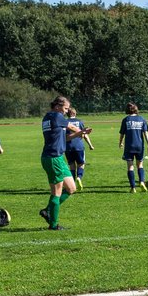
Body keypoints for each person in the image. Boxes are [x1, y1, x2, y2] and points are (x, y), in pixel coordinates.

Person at [40, 95, 89, 229]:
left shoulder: (48, 117)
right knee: (56, 192)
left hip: (57, 157)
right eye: (65, 108)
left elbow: (65, 138)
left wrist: (81, 133)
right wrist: (81, 131)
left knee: (72, 188)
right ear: (57, 106)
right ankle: (54, 225)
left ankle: (47, 210)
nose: (67, 111)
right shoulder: (57, 116)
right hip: (53, 158)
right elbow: (72, 127)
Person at [119, 102, 148, 193]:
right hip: (139, 146)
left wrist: (120, 142)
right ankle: (141, 182)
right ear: (136, 109)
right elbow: (146, 133)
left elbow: (122, 133)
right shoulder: (141, 119)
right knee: (140, 165)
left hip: (129, 146)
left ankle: (133, 188)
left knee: (130, 167)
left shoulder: (126, 120)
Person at [65, 105, 93, 190]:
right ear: (75, 113)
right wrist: (90, 145)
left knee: (72, 165)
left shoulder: (65, 122)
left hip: (68, 147)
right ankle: (79, 178)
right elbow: (84, 134)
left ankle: (72, 184)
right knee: (81, 164)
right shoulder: (80, 122)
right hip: (79, 146)